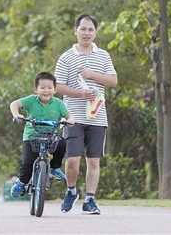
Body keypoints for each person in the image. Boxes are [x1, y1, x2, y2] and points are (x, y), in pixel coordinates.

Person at [55, 13, 118, 215]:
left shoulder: (103, 55)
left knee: (94, 160)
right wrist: (80, 94)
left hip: (98, 117)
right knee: (72, 159)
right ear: (76, 31)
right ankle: (71, 191)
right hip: (73, 117)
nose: (87, 33)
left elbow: (113, 81)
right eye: (83, 29)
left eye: (91, 29)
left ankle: (90, 200)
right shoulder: (66, 57)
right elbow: (57, 87)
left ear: (95, 33)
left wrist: (91, 75)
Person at [9, 71, 75, 198]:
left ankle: (55, 168)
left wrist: (70, 120)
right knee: (28, 162)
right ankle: (21, 182)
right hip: (31, 136)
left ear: (55, 89)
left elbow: (68, 115)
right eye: (43, 87)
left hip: (51, 136)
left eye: (50, 88)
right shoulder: (31, 100)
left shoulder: (58, 103)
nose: (46, 90)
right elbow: (14, 104)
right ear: (36, 89)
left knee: (62, 142)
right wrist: (17, 115)